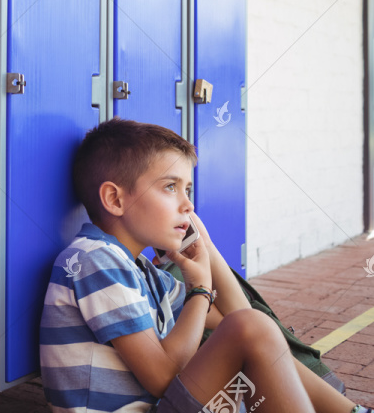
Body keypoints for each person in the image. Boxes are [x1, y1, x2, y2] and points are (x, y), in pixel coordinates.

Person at [39, 116, 372, 413]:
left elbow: (239, 320)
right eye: (170, 187)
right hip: (159, 401)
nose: (188, 205)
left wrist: (207, 249)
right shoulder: (94, 260)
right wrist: (199, 289)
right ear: (115, 199)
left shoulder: (142, 270)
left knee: (251, 332)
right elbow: (162, 377)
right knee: (249, 331)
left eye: (188, 189)